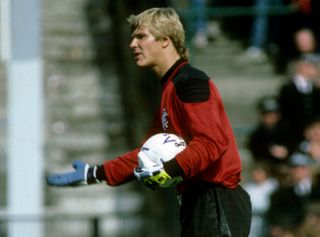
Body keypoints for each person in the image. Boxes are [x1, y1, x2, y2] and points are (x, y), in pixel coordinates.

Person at [46, 7, 252, 237]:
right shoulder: (169, 89)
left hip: (216, 199)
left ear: (166, 40)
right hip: (198, 202)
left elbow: (211, 142)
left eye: (141, 36)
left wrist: (167, 170)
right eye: (132, 37)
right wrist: (95, 173)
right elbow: (144, 155)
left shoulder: (190, 83)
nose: (132, 44)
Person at [278, 54, 320, 143]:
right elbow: (286, 113)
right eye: (312, 66)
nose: (316, 70)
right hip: (292, 134)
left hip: (313, 135)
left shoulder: (315, 89)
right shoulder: (287, 89)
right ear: (302, 67)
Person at [247, 96, 295, 169]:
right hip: (266, 167)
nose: (271, 117)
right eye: (267, 115)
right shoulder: (257, 134)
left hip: (285, 165)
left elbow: (294, 145)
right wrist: (270, 151)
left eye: (274, 114)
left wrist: (286, 151)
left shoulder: (286, 131)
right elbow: (254, 151)